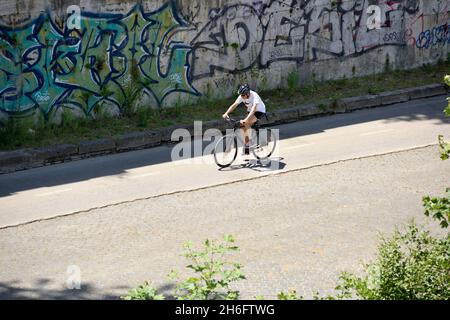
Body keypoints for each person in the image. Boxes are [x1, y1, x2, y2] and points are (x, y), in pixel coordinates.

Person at [222, 83, 267, 155]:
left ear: (248, 93)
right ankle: (248, 145)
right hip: (250, 110)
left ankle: (250, 144)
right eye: (241, 95)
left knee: (246, 122)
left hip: (259, 111)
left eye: (243, 95)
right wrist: (226, 113)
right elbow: (234, 105)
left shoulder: (254, 96)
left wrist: (246, 119)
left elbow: (254, 108)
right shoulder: (242, 96)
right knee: (243, 127)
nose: (241, 97)